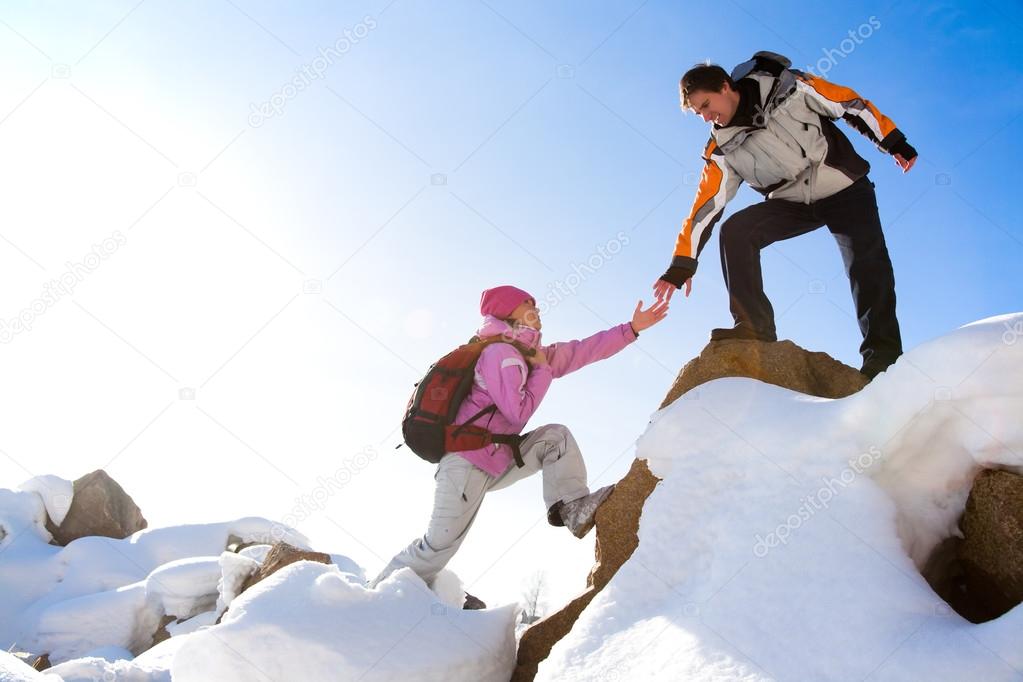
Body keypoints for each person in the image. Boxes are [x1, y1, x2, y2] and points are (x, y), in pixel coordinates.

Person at [372, 285, 668, 596]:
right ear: (507, 312)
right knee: (436, 548)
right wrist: (541, 367)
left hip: (495, 460)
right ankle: (373, 597)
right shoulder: (500, 353)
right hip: (465, 463)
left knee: (556, 438)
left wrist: (631, 329)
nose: (537, 309)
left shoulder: (526, 353)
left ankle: (573, 507)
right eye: (528, 304)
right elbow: (517, 412)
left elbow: (581, 351)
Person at [652, 51, 917, 379]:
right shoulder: (722, 148)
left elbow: (848, 103)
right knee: (736, 230)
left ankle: (884, 360)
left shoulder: (788, 87)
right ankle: (753, 327)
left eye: (706, 106)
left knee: (867, 262)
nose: (706, 117)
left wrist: (892, 141)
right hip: (793, 203)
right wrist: (681, 265)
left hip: (842, 185)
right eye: (698, 114)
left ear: (724, 86)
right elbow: (706, 207)